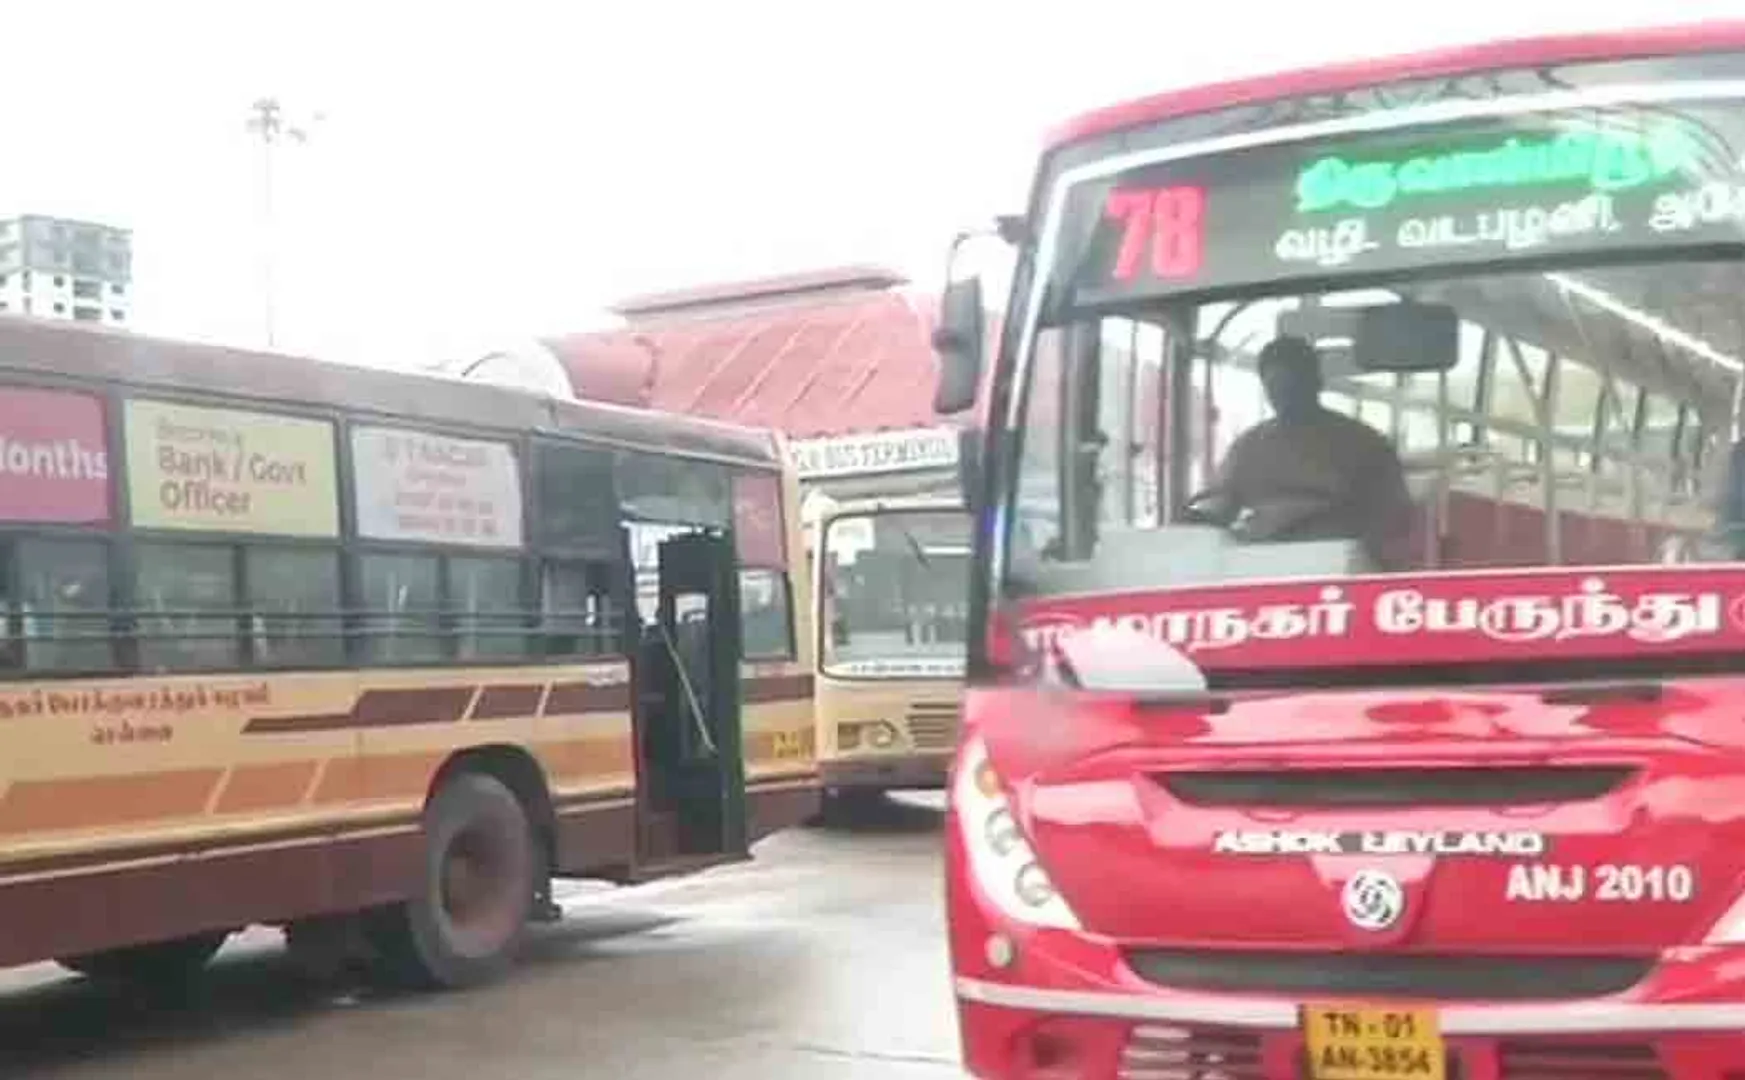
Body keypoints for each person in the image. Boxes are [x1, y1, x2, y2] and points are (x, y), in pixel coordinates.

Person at [1207, 334, 1415, 570]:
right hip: (1260, 564)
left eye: (1292, 386)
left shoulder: (1363, 444)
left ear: (1316, 382)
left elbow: (1395, 519)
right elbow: (1215, 507)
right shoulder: (1248, 448)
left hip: (1340, 565)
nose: (1284, 396)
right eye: (1275, 388)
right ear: (1266, 388)